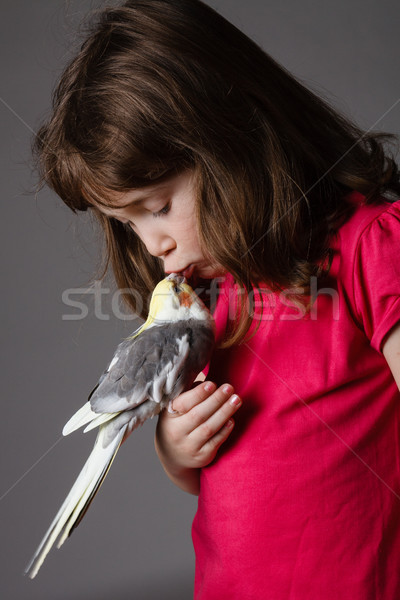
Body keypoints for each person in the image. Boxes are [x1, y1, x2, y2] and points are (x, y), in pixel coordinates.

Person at [34, 0, 400, 598]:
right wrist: (176, 448)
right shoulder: (209, 302)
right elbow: (223, 474)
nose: (154, 243)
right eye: (128, 224)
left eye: (157, 207)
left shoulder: (369, 247)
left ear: (238, 143)